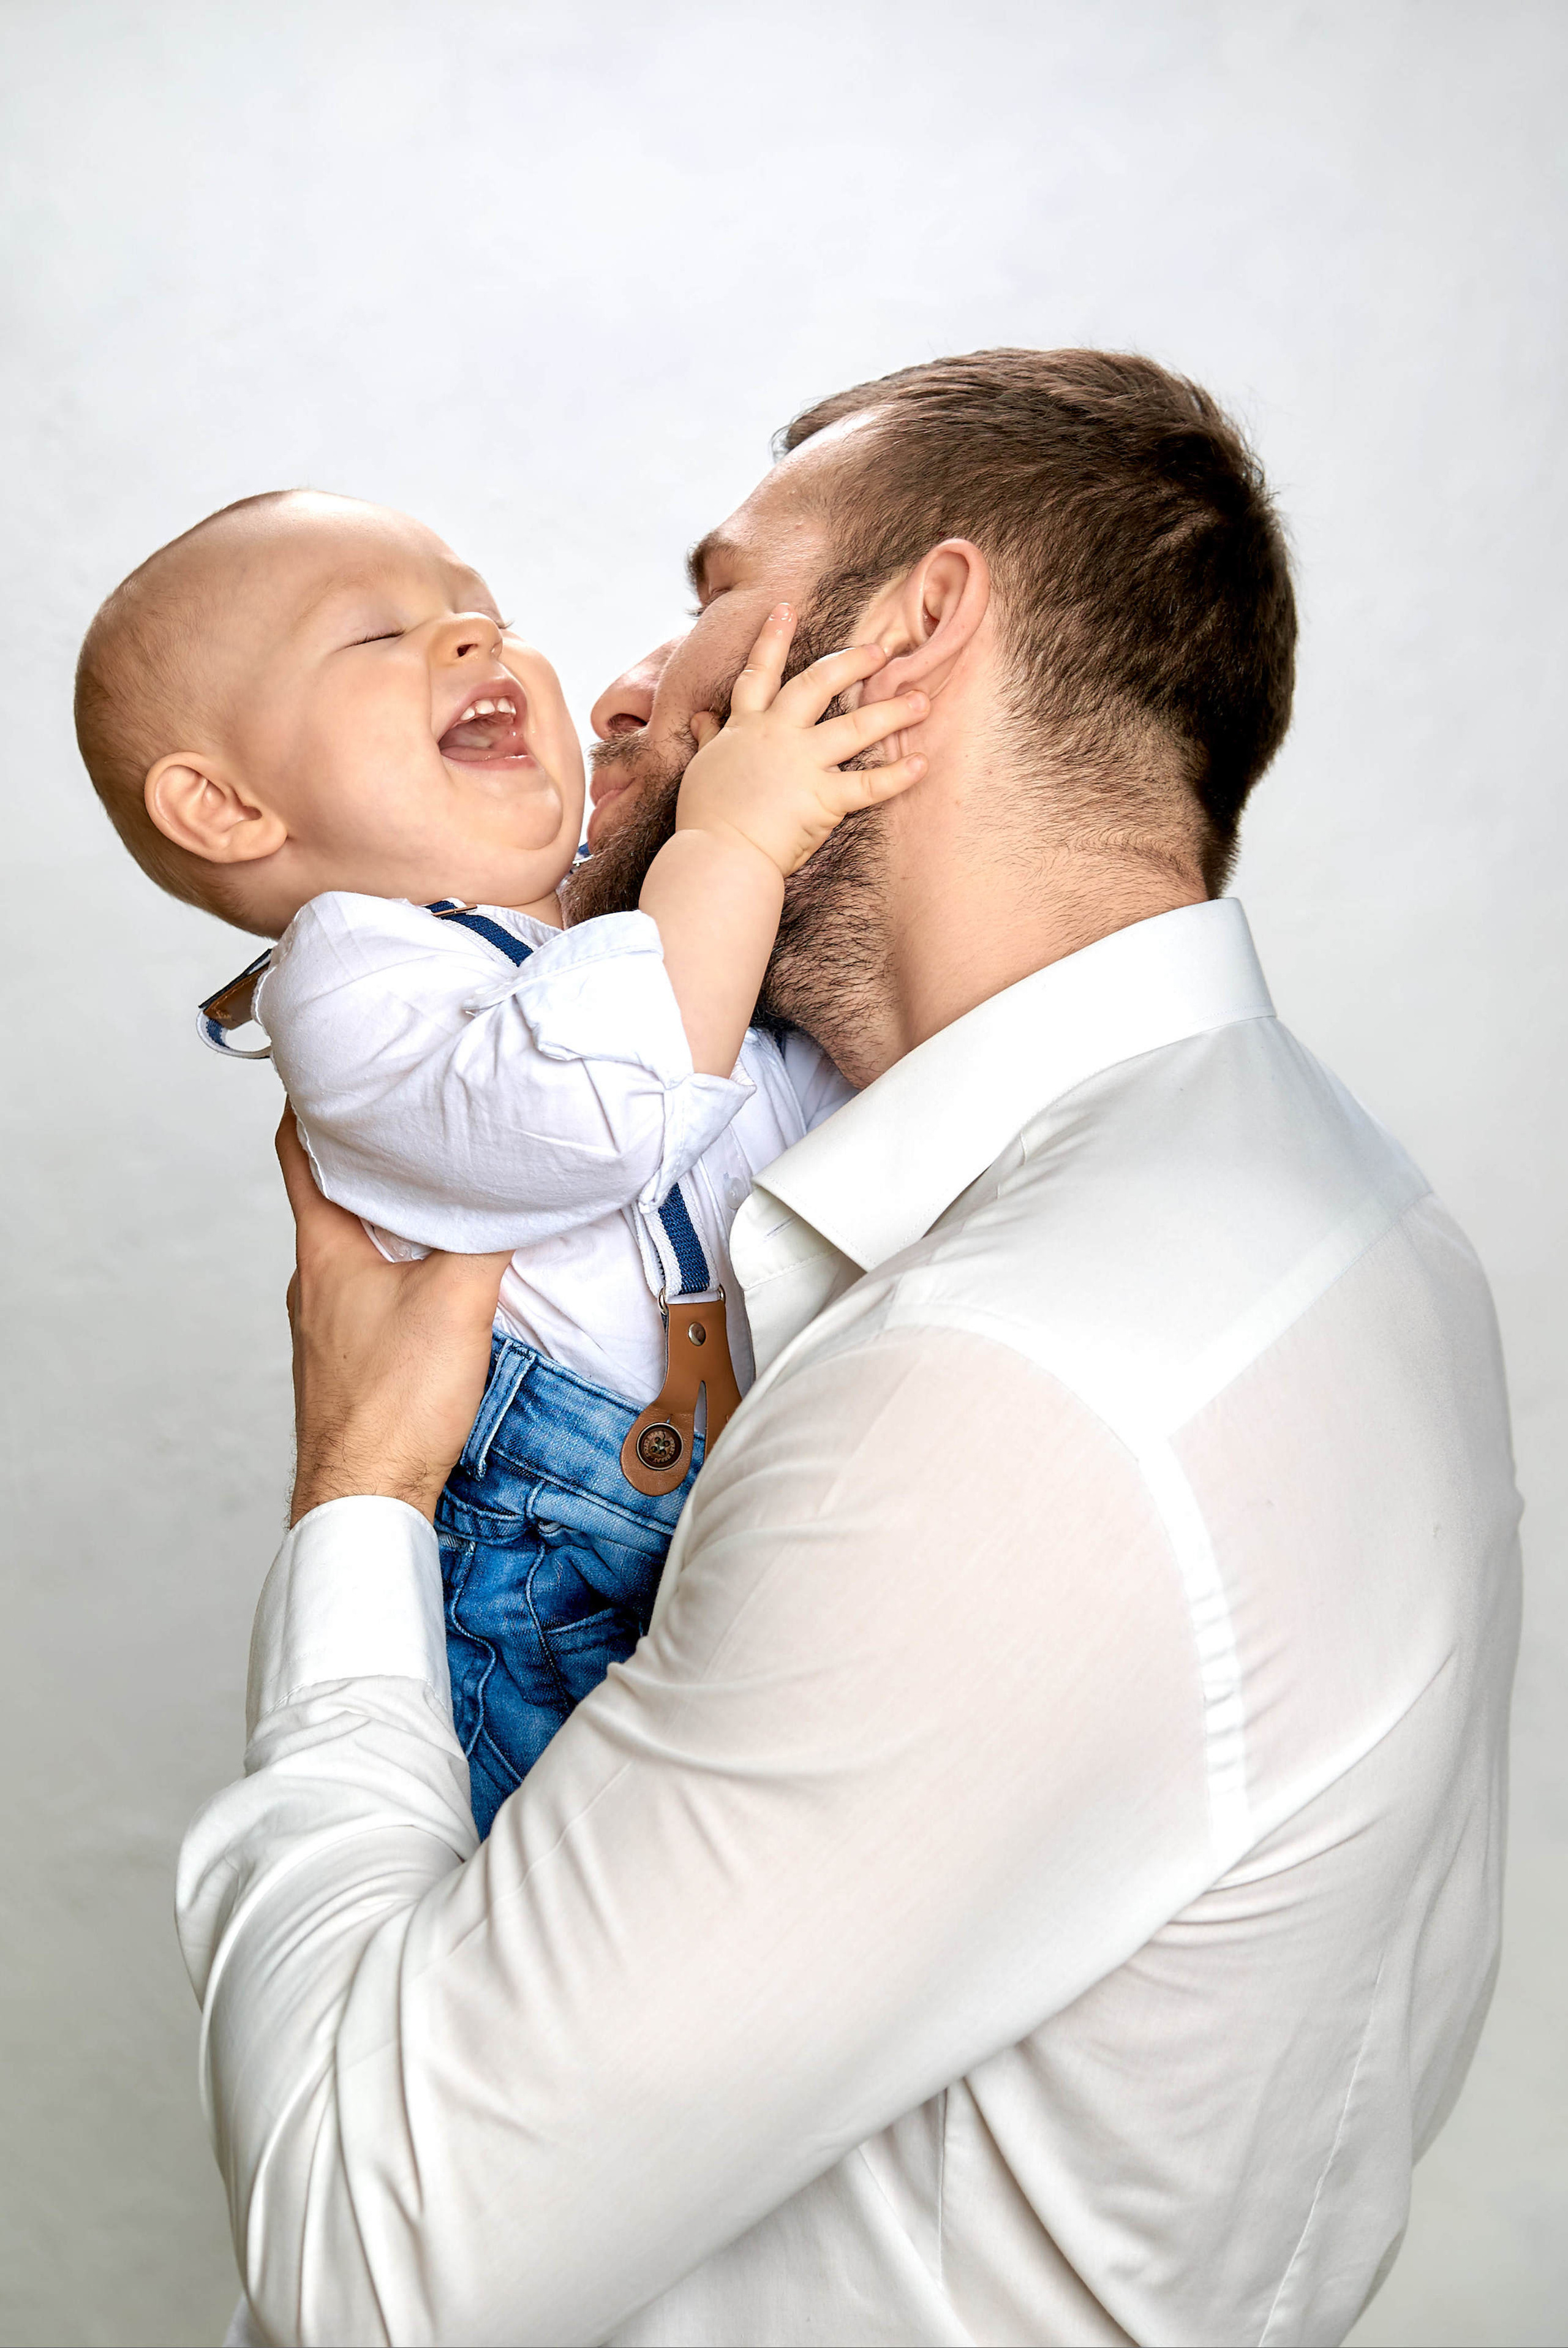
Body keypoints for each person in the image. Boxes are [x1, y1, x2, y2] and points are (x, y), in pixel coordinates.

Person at [177, 349, 1522, 2346]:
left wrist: (361, 1487)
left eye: (717, 592)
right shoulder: (1341, 1203)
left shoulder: (1008, 1392)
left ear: (915, 631)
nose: (627, 686)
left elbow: (368, 2271)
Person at [74, 495, 924, 1832]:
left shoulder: (615, 922)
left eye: (488, 615)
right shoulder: (348, 982)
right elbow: (598, 1115)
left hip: (736, 1486)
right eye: (376, 634)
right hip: (553, 1575)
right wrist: (734, 842)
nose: (472, 635)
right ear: (226, 806)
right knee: (587, 1919)